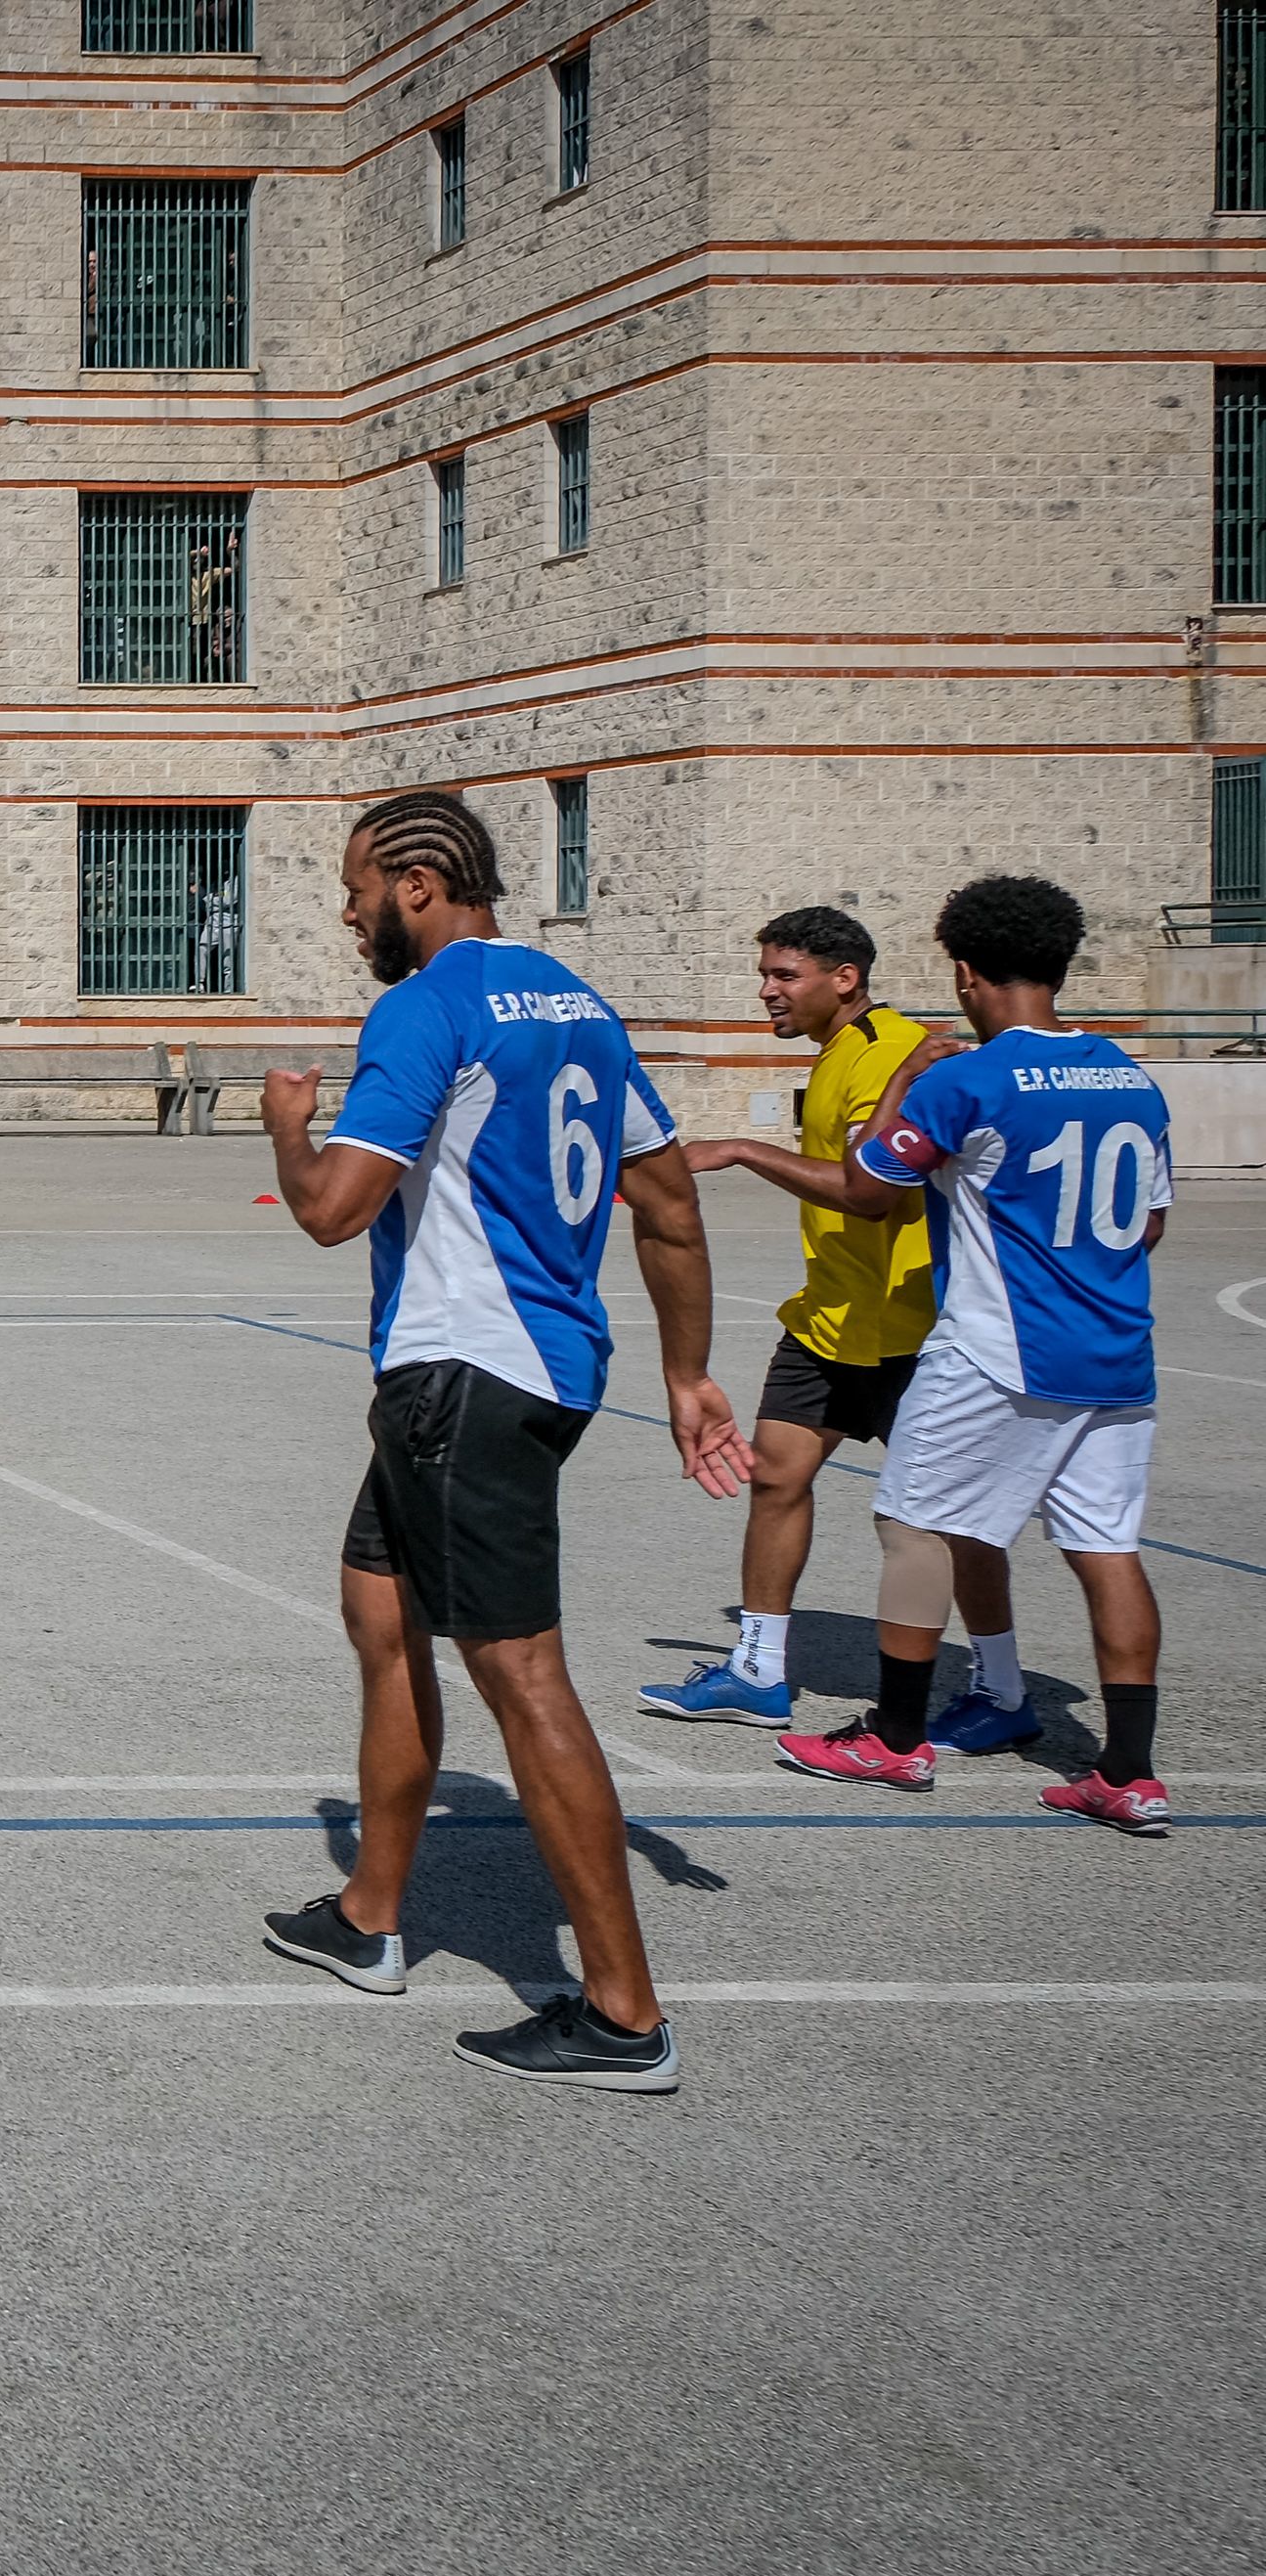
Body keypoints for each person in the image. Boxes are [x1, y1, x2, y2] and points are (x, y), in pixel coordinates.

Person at [252, 789, 749, 2092]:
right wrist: (685, 1369)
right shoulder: (577, 1003)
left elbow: (332, 1211)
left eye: (356, 883)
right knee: (379, 1608)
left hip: (466, 1373)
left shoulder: (427, 1005)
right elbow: (670, 1200)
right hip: (537, 1368)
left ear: (419, 882)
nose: (347, 907)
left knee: (521, 1673)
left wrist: (288, 1127)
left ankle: (624, 2012)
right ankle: (370, 1914)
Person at [769, 876, 1176, 1832]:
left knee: (912, 1524)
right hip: (1117, 1357)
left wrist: (906, 1082)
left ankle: (896, 1741)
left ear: (962, 971)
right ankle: (1127, 1770)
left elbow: (868, 1189)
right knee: (1107, 1550)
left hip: (999, 1352)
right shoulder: (1128, 1075)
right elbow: (1148, 1224)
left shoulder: (967, 1079)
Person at [639, 910, 1022, 1741]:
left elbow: (869, 1190)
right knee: (777, 1476)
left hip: (913, 1325)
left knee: (952, 1520)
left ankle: (1001, 1690)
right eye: (767, 973)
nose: (766, 990)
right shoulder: (846, 1051)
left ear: (843, 978)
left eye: (784, 975)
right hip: (831, 1319)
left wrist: (743, 1149)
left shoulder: (888, 1055)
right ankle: (758, 1669)